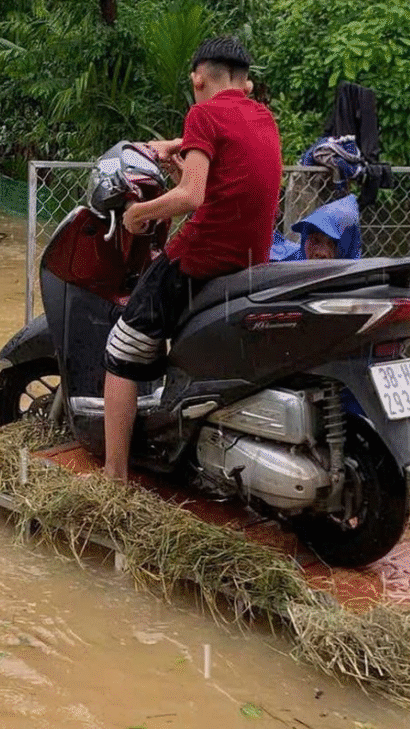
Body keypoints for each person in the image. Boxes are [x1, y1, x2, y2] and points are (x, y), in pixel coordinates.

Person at [105, 36, 283, 481]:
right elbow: (222, 171)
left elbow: (191, 195)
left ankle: (113, 476)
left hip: (200, 259)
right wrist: (174, 150)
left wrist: (137, 214)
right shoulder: (263, 117)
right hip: (248, 265)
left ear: (198, 77)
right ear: (246, 83)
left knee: (121, 350)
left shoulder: (203, 113)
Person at [269, 194, 362, 261]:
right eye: (315, 241)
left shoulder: (360, 280)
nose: (321, 253)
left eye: (331, 244)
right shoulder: (281, 261)